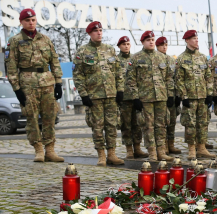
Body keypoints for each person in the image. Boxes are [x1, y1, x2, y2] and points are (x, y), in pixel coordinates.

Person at [7, 8, 64, 164]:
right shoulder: (15, 41)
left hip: (47, 82)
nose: (31, 23)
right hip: (28, 84)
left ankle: (50, 149)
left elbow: (54, 61)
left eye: (33, 20)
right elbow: (11, 66)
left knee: (50, 116)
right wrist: (16, 88)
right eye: (27, 21)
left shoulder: (45, 39)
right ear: (21, 22)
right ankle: (38, 149)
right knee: (31, 117)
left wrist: (58, 83)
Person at [73, 21, 124, 166]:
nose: (99, 33)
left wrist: (120, 90)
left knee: (112, 125)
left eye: (101, 30)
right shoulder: (82, 52)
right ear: (90, 33)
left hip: (111, 95)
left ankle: (112, 154)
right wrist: (83, 94)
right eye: (96, 31)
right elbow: (78, 75)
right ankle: (101, 155)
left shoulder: (110, 50)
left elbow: (118, 72)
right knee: (97, 127)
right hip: (94, 96)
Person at [125, 31, 174, 162]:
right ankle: (152, 152)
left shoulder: (163, 58)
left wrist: (170, 95)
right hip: (144, 98)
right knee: (148, 126)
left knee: (161, 125)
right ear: (142, 42)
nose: (151, 42)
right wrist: (135, 97)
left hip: (161, 97)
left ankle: (161, 151)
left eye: (152, 39)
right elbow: (131, 80)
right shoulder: (135, 58)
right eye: (148, 40)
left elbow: (169, 78)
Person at [175, 29, 213, 159]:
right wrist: (183, 96)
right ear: (187, 40)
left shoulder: (202, 57)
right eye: (193, 38)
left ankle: (201, 148)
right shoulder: (181, 59)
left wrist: (210, 94)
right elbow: (179, 80)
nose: (196, 40)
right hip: (189, 98)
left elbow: (208, 76)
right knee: (190, 124)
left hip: (202, 96)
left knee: (203, 123)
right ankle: (192, 149)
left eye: (197, 38)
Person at [117, 36, 148, 159]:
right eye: (123, 44)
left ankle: (138, 147)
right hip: (124, 97)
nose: (126, 46)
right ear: (119, 46)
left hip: (136, 97)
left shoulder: (136, 59)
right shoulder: (115, 60)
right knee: (126, 124)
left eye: (128, 44)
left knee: (137, 123)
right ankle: (129, 149)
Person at [156, 37, 180, 155]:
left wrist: (176, 95)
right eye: (161, 45)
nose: (164, 47)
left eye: (166, 45)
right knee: (163, 122)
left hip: (172, 94)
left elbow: (174, 78)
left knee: (172, 121)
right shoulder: (155, 58)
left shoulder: (171, 60)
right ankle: (163, 145)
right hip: (160, 95)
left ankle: (171, 144)